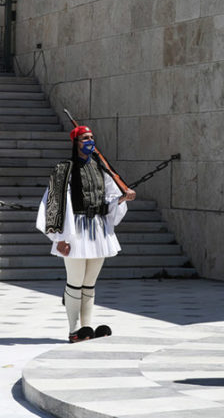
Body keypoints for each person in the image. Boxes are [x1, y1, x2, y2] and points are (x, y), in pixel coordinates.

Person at [36, 125, 136, 343]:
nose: (90, 141)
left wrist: (122, 198)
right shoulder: (64, 169)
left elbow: (109, 197)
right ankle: (73, 330)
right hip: (75, 231)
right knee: (75, 281)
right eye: (85, 138)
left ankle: (87, 327)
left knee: (89, 282)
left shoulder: (101, 168)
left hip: (98, 230)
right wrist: (59, 238)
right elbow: (52, 203)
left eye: (91, 137)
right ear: (76, 142)